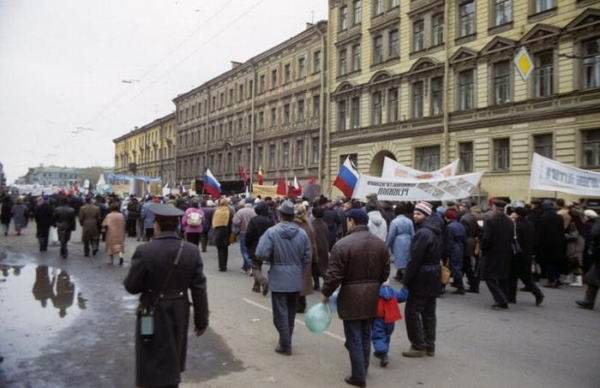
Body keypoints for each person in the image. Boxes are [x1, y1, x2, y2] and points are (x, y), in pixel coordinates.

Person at [124, 204, 209, 388]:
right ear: (178, 225)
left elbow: (131, 286)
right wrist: (202, 321)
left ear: (157, 224)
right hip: (179, 309)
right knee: (174, 352)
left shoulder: (144, 250)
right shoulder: (191, 251)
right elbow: (199, 289)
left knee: (149, 351)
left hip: (150, 310)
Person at [321, 208, 390, 387]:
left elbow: (334, 275)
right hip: (371, 295)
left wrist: (325, 293)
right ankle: (363, 369)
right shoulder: (379, 244)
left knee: (354, 337)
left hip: (351, 297)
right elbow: (385, 273)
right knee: (365, 333)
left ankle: (358, 376)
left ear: (351, 221)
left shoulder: (342, 245)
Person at [255, 200, 310, 356]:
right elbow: (307, 257)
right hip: (295, 277)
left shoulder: (272, 232)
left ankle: (285, 344)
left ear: (280, 215)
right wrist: (298, 269)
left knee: (280, 314)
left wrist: (272, 258)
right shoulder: (302, 233)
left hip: (278, 277)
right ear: (292, 216)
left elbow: (261, 253)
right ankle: (286, 340)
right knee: (291, 312)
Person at [402, 202, 442, 358]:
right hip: (433, 274)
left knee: (412, 311)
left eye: (419, 214)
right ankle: (429, 345)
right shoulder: (436, 229)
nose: (415, 216)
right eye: (414, 213)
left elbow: (415, 259)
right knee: (429, 312)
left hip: (423, 276)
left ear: (426, 215)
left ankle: (418, 345)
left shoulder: (423, 233)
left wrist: (406, 280)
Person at [480, 199, 514, 309]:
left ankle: (501, 299)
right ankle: (505, 296)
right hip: (506, 252)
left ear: (495, 208)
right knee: (502, 276)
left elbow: (487, 238)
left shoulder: (490, 221)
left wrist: (483, 249)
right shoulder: (510, 221)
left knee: (488, 276)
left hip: (492, 252)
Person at [508, 206, 544, 306]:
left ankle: (511, 297)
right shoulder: (530, 224)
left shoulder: (516, 224)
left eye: (514, 212)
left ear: (517, 214)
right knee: (525, 277)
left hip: (517, 254)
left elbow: (514, 239)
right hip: (527, 253)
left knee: (513, 276)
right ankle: (537, 294)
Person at [371, 283, 408, 367]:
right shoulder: (392, 291)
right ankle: (381, 352)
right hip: (390, 320)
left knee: (378, 336)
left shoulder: (375, 292)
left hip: (379, 319)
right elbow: (402, 297)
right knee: (387, 336)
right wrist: (405, 288)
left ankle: (383, 354)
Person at [245, 201, 274, 294]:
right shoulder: (270, 221)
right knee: (259, 265)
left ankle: (263, 282)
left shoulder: (254, 220)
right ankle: (256, 286)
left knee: (255, 267)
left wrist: (247, 243)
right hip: (266, 246)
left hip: (255, 245)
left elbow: (249, 234)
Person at [292, 204, 316, 313]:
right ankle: (301, 303)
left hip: (297, 256)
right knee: (303, 280)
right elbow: (313, 242)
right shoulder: (308, 225)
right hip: (308, 256)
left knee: (296, 280)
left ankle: (297, 304)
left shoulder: (295, 226)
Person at [538, 200, 567, 288]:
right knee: (556, 262)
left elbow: (541, 233)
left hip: (547, 243)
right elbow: (562, 231)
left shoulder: (543, 217)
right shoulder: (559, 217)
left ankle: (551, 280)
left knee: (549, 262)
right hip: (558, 243)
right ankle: (557, 279)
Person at [386, 202, 414, 282]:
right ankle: (400, 274)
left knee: (400, 259)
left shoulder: (394, 222)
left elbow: (391, 235)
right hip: (408, 240)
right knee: (407, 258)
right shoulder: (409, 221)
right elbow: (413, 233)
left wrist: (387, 245)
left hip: (398, 242)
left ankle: (404, 276)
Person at [458, 200, 481, 293]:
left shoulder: (464, 218)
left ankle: (473, 285)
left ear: (466, 207)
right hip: (472, 241)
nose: (460, 208)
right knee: (466, 264)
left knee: (466, 264)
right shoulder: (473, 216)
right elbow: (479, 230)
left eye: (462, 207)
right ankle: (461, 283)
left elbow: (463, 232)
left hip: (467, 242)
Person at [445, 208, 467, 294]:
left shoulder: (449, 227)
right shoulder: (460, 225)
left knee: (455, 267)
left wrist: (447, 251)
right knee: (458, 266)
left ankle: (460, 286)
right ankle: (459, 285)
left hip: (454, 247)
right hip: (460, 246)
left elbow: (449, 240)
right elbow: (465, 238)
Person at [232, 200, 256, 274]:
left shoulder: (240, 211)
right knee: (250, 250)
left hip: (243, 232)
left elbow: (235, 221)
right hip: (253, 233)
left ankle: (251, 266)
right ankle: (245, 267)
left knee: (244, 250)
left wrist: (241, 224)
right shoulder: (255, 211)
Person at [311, 206, 330, 290]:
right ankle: (327, 283)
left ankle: (317, 284)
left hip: (315, 248)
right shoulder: (324, 224)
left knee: (315, 267)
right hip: (324, 247)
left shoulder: (312, 225)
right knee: (324, 267)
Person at [213, 198, 233, 272]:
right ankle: (224, 265)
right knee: (225, 249)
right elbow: (231, 222)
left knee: (220, 249)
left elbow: (214, 222)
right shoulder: (229, 211)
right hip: (226, 232)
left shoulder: (216, 211)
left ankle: (221, 266)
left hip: (218, 231)